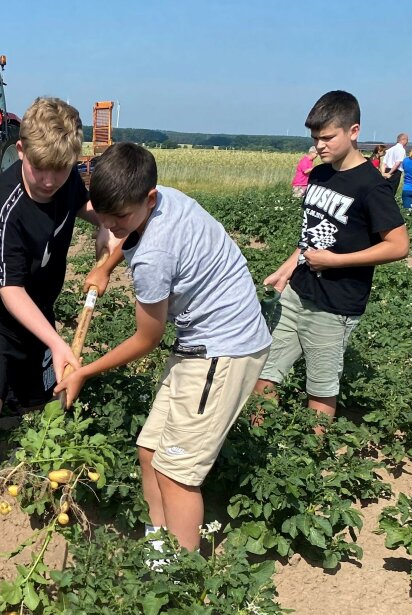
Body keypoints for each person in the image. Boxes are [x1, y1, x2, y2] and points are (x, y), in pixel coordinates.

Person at [55, 142, 272, 552]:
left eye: (120, 219)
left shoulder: (155, 256)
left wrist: (83, 370)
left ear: (148, 198)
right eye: (104, 218)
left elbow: (146, 339)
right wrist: (104, 266)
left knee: (178, 474)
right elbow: (130, 230)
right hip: (201, 342)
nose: (113, 228)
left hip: (222, 351)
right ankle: (160, 547)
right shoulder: (162, 197)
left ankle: (182, 576)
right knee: (150, 451)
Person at [0, 97, 116, 564]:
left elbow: (86, 202)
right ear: (20, 152)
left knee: (41, 401)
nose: (51, 180)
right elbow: (9, 289)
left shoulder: (65, 179)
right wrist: (56, 342)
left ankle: (35, 474)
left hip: (37, 309)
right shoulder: (3, 204)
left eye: (62, 169)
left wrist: (106, 227)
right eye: (40, 169)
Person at [253, 91, 409, 423]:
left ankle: (312, 458)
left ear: (354, 131)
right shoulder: (320, 174)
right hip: (297, 291)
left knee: (320, 388)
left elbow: (398, 245)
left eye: (328, 137)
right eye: (315, 138)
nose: (320, 145)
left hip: (335, 304)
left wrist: (336, 261)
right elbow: (312, 232)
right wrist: (286, 268)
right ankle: (258, 443)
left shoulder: (371, 185)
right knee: (265, 372)